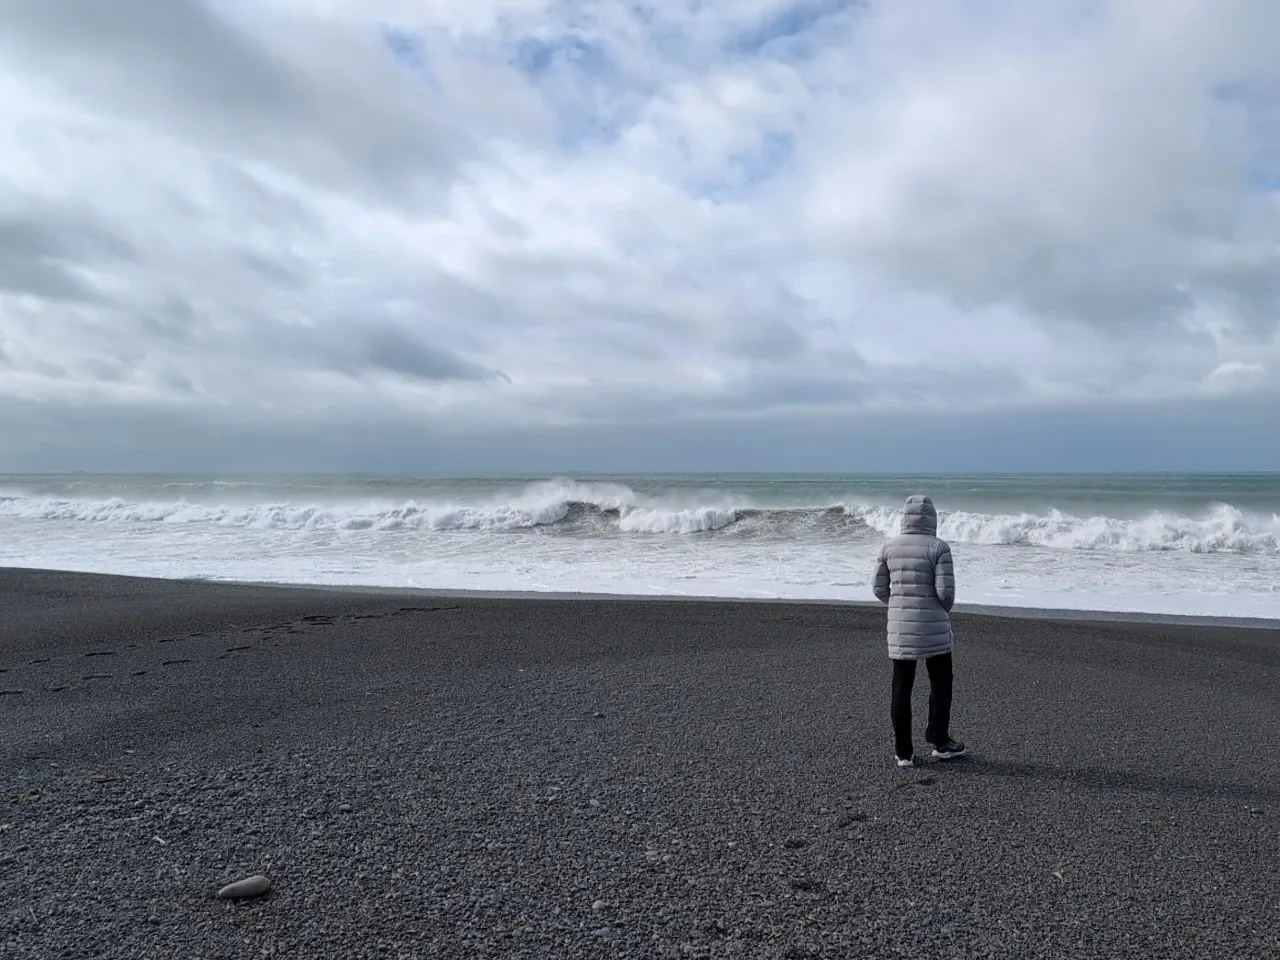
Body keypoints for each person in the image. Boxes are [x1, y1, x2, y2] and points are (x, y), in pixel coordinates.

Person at [872, 495, 966, 768]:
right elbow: (945, 594)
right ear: (932, 519)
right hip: (934, 627)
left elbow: (878, 589)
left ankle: (904, 753)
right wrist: (938, 610)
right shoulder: (938, 548)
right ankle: (940, 741)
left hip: (900, 627)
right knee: (941, 682)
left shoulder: (888, 547)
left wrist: (900, 605)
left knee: (901, 687)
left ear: (904, 517)